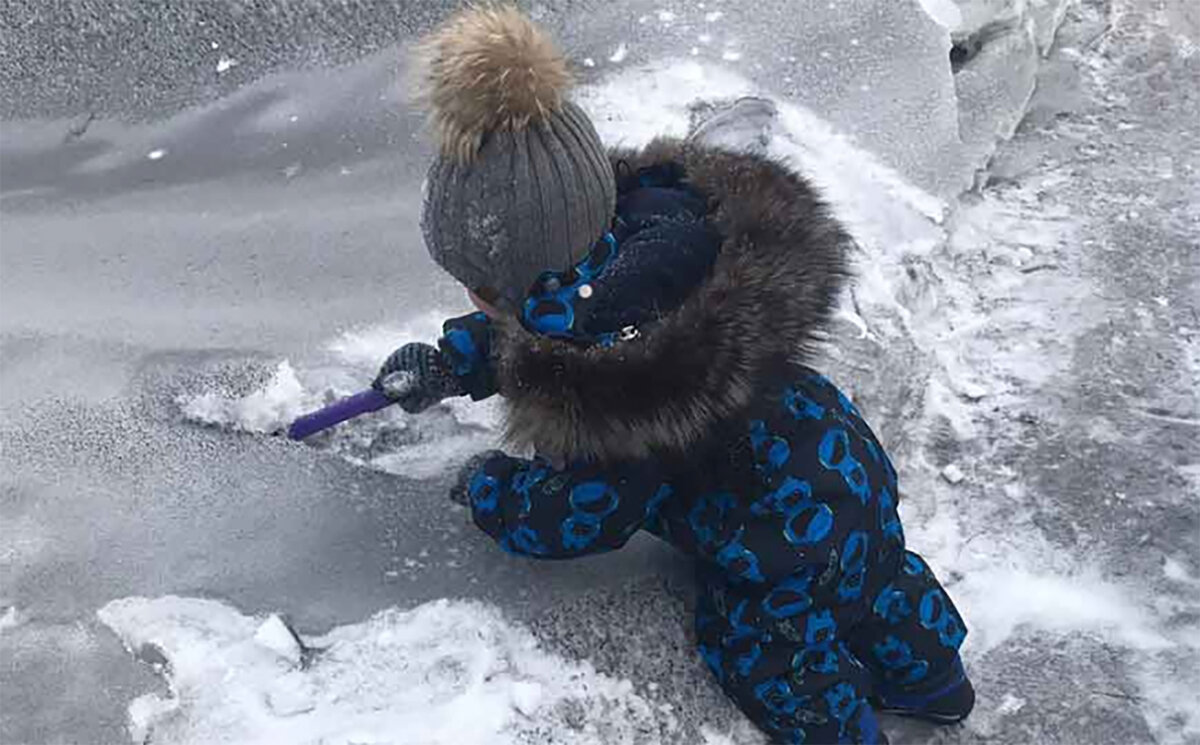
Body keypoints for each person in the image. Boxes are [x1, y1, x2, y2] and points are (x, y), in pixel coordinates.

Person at [375, 6, 974, 743]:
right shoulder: (651, 236)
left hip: (780, 531)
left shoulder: (616, 387)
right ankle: (936, 681)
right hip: (843, 462)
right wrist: (449, 363)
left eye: (478, 287)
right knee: (879, 578)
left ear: (514, 278)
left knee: (766, 647)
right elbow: (527, 334)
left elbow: (578, 515)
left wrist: (491, 487)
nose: (476, 302)